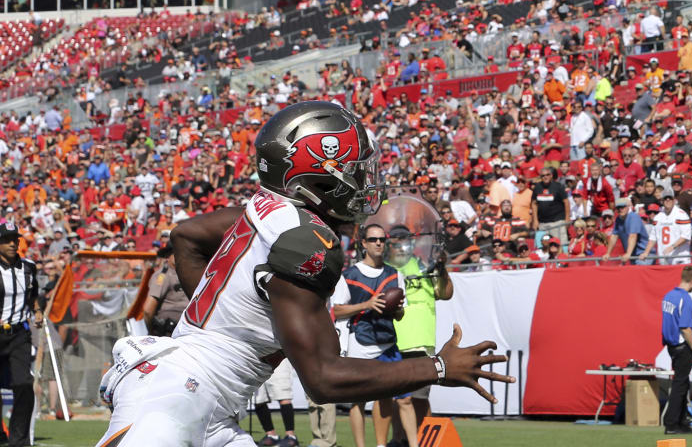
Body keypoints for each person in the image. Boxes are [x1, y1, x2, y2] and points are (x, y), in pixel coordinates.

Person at [94, 101, 511, 447]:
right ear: (320, 177)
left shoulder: (268, 211)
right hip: (176, 398)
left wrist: (222, 317)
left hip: (207, 400)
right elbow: (324, 379)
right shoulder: (305, 239)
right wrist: (439, 368)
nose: (367, 182)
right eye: (356, 171)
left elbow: (185, 235)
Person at [332, 223, 414, 447]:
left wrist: (395, 309)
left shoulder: (394, 274)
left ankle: (380, 444)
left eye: (382, 240)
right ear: (364, 244)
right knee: (358, 400)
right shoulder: (349, 275)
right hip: (360, 341)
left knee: (386, 396)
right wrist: (367, 304)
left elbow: (400, 314)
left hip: (387, 342)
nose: (379, 243)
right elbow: (337, 310)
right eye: (374, 239)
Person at [386, 223, 454, 439]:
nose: (400, 243)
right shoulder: (386, 267)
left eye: (403, 239)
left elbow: (446, 293)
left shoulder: (425, 265)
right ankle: (398, 440)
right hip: (392, 339)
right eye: (396, 239)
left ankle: (426, 440)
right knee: (398, 397)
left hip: (420, 340)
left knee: (420, 397)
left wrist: (442, 268)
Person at [0, 221, 41, 447]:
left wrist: (37, 311)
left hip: (19, 334)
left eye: (15, 239)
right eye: (6, 239)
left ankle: (19, 441)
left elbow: (34, 294)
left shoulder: (29, 267)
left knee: (24, 383)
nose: (12, 243)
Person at [662, 266, 692, 435]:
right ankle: (671, 424)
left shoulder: (669, 295)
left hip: (671, 345)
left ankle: (681, 421)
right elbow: (685, 328)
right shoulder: (686, 298)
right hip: (681, 346)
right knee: (680, 383)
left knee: (682, 383)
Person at [141, 243, 187, 337]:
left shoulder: (186, 273)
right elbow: (148, 310)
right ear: (167, 256)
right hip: (169, 331)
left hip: (186, 329)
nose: (181, 254)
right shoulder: (162, 276)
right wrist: (152, 331)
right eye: (175, 252)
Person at [252, 360, 298, 447]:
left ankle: (291, 437)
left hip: (278, 357)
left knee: (283, 396)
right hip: (258, 360)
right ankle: (272, 436)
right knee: (258, 400)